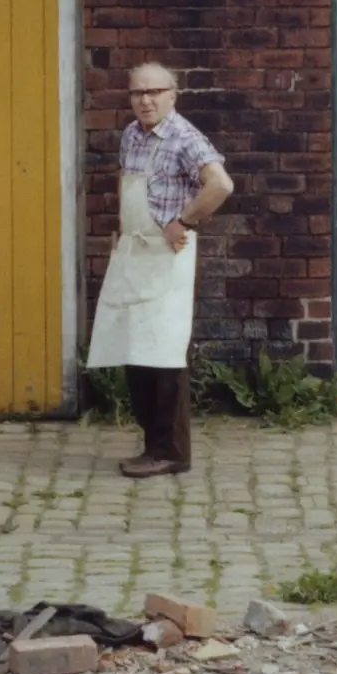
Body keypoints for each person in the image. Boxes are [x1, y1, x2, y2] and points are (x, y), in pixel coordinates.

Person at [85, 62, 234, 478]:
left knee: (164, 357)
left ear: (173, 95)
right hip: (135, 252)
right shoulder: (132, 135)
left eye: (154, 92)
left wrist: (182, 221)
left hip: (169, 257)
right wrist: (122, 230)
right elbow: (127, 186)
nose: (145, 100)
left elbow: (220, 185)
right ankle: (152, 444)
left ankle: (172, 452)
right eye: (137, 93)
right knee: (136, 352)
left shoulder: (185, 138)